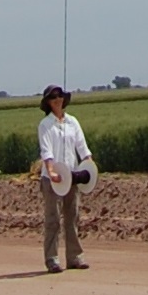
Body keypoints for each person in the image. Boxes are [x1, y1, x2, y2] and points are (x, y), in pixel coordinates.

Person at [37, 85, 93, 271]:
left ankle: (75, 257)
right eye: (53, 97)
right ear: (48, 102)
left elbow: (82, 147)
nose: (57, 99)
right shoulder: (45, 125)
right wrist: (51, 172)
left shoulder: (72, 122)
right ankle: (52, 259)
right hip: (53, 179)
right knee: (53, 219)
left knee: (73, 216)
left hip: (73, 176)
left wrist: (89, 166)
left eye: (60, 96)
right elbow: (47, 152)